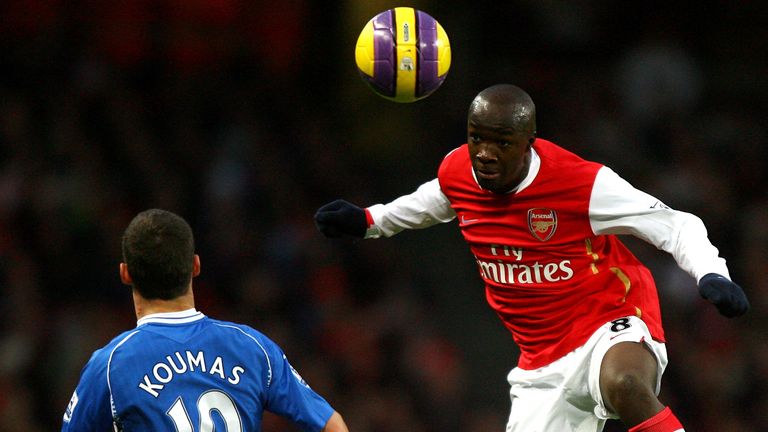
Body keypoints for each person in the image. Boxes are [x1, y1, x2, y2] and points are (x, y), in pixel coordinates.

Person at [314, 84, 749, 431]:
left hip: (608, 318)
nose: (484, 152)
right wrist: (369, 221)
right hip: (540, 361)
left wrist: (711, 273)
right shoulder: (458, 172)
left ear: (528, 143)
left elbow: (675, 224)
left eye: (500, 142)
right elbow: (430, 201)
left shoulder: (580, 182)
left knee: (625, 384)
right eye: (476, 138)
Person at [62, 209, 348, 432]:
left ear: (125, 273)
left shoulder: (111, 366)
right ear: (196, 266)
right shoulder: (252, 347)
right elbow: (331, 424)